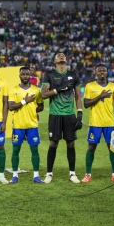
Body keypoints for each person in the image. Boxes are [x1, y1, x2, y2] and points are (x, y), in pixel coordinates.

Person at [41, 53, 83, 184]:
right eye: (58, 56)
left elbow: (77, 96)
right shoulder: (49, 75)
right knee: (53, 142)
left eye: (63, 56)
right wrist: (57, 90)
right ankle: (49, 174)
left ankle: (72, 174)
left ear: (66, 60)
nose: (61, 56)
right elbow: (43, 94)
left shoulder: (74, 75)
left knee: (71, 143)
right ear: (54, 61)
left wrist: (80, 114)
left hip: (69, 114)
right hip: (55, 114)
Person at [81, 64, 114, 183]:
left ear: (107, 72)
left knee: (112, 148)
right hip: (95, 124)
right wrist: (101, 96)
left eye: (104, 71)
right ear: (96, 72)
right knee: (91, 147)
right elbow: (86, 104)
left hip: (110, 124)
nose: (102, 73)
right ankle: (88, 174)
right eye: (100, 71)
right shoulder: (90, 86)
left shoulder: (113, 87)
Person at [8, 67, 44, 184]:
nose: (25, 76)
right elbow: (11, 107)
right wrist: (25, 101)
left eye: (27, 74)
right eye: (23, 74)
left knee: (34, 150)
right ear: (19, 75)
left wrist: (32, 111)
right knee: (15, 150)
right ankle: (14, 175)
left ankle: (36, 176)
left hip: (32, 125)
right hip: (18, 125)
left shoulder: (36, 90)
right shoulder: (14, 90)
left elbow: (41, 106)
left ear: (30, 76)